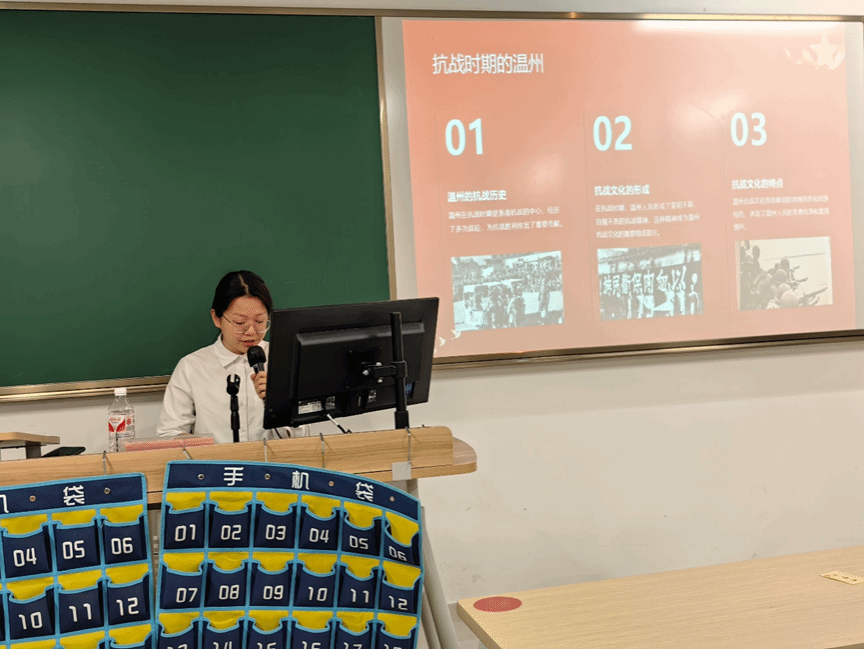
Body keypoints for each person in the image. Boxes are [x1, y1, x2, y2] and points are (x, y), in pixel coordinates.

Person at [156, 270, 297, 443]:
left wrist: (277, 405)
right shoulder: (192, 367)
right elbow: (169, 434)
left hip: (274, 460)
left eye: (259, 321)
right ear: (217, 318)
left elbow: (304, 436)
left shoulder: (285, 360)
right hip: (215, 460)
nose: (251, 331)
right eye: (240, 323)